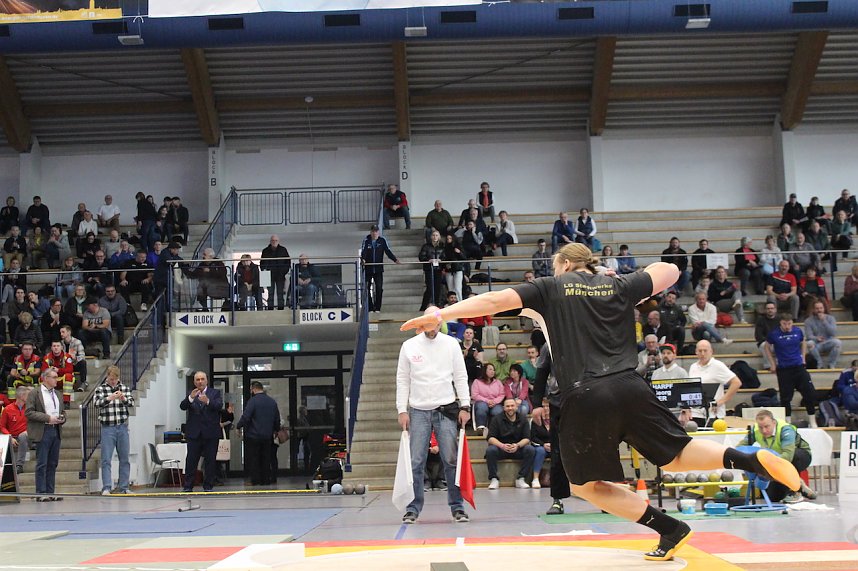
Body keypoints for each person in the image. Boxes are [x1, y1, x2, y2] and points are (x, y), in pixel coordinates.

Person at [400, 243, 803, 562]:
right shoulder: (617, 284)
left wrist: (443, 313)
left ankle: (667, 525)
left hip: (586, 394)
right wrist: (615, 276)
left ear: (562, 265)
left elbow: (492, 302)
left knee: (585, 486)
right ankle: (747, 460)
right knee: (677, 455)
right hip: (632, 385)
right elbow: (671, 271)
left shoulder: (549, 287)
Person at [395, 306, 471, 524]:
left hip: (446, 408)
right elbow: (403, 379)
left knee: (451, 460)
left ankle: (457, 507)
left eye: (435, 324)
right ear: (421, 324)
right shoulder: (408, 346)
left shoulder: (451, 344)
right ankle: (413, 507)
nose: (431, 329)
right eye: (427, 325)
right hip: (418, 410)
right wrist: (402, 409)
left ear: (440, 323)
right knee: (416, 461)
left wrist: (465, 406)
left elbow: (460, 376)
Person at [738, 409, 816, 503]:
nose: (764, 430)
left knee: (794, 457)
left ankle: (796, 491)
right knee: (773, 497)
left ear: (774, 422)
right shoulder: (755, 430)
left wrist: (769, 466)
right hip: (775, 460)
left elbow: (788, 455)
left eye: (767, 426)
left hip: (800, 455)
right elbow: (741, 447)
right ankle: (800, 484)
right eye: (761, 427)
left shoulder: (786, 429)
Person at [765, 313, 818, 426]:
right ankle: (787, 421)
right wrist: (772, 363)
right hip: (784, 369)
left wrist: (803, 357)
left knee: (809, 393)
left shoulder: (797, 331)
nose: (787, 326)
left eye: (789, 324)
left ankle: (812, 420)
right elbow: (766, 346)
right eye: (785, 324)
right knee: (785, 397)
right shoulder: (774, 334)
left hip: (798, 367)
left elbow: (803, 341)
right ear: (780, 323)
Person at [93, 365, 134, 495]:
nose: (113, 382)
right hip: (108, 427)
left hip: (122, 427)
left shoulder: (124, 388)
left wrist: (123, 398)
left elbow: (131, 403)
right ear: (107, 377)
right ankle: (106, 487)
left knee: (124, 458)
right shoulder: (101, 389)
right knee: (106, 458)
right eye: (111, 379)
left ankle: (124, 487)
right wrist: (109, 398)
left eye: (115, 380)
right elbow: (96, 404)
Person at [25, 369, 66, 501]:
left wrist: (62, 418)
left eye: (56, 377)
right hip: (43, 430)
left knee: (53, 463)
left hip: (56, 429)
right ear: (45, 378)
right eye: (54, 377)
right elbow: (29, 412)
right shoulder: (35, 393)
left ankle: (50, 492)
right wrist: (47, 418)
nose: (56, 379)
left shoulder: (58, 394)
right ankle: (40, 493)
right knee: (42, 463)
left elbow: (63, 411)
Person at [179, 371, 223, 493]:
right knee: (191, 460)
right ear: (194, 382)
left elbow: (219, 406)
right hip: (194, 433)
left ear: (206, 380)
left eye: (202, 379)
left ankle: (208, 486)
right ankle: (188, 486)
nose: (200, 381)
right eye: (197, 380)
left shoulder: (215, 393)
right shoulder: (191, 393)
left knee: (210, 460)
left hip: (211, 433)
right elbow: (182, 406)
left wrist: (208, 401)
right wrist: (190, 398)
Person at [236, 381, 281, 486]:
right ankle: (265, 480)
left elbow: (246, 417)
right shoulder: (272, 402)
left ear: (254, 389)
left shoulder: (253, 402)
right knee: (266, 458)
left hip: (253, 435)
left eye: (251, 389)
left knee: (254, 458)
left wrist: (239, 426)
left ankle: (255, 480)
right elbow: (276, 418)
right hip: (267, 435)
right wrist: (276, 430)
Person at [485, 397, 535, 489]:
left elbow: (527, 438)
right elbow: (490, 438)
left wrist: (517, 445)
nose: (510, 408)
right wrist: (502, 445)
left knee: (530, 450)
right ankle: (494, 479)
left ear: (516, 407)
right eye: (507, 406)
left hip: (517, 448)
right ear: (504, 408)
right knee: (490, 450)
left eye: (512, 406)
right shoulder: (496, 419)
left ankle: (521, 478)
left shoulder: (523, 419)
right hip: (501, 449)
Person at [688, 340, 742, 422]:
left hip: (714, 414)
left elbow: (736, 383)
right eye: (700, 351)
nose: (702, 353)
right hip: (696, 413)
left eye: (705, 351)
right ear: (696, 352)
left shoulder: (717, 365)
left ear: (711, 351)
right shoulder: (693, 367)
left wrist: (720, 402)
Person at [360, 224, 400, 312]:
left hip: (378, 269)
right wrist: (363, 259)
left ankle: (377, 308)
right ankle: (370, 307)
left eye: (376, 231)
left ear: (378, 232)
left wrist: (395, 259)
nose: (375, 233)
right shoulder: (366, 240)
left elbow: (387, 251)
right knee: (366, 288)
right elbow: (364, 251)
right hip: (368, 269)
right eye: (373, 231)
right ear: (370, 232)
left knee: (379, 288)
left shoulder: (382, 240)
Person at [805, 300, 841, 369]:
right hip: (816, 344)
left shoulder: (830, 318)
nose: (819, 310)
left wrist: (824, 321)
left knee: (838, 342)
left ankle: (831, 364)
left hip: (828, 342)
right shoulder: (808, 321)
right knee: (809, 343)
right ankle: (819, 364)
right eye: (817, 308)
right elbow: (809, 335)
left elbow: (833, 333)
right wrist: (816, 338)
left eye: (821, 308)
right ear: (813, 309)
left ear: (824, 308)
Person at [260, 235, 291, 311]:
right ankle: (270, 309)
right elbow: (262, 262)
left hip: (280, 275)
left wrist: (283, 271)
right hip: (269, 275)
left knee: (280, 293)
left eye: (276, 240)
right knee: (270, 294)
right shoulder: (265, 250)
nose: (274, 242)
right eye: (273, 240)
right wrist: (264, 270)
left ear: (278, 241)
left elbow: (288, 262)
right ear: (270, 241)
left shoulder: (283, 250)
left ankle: (281, 309)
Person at [470, 363, 504, 432]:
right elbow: (475, 395)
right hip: (482, 402)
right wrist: (487, 401)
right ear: (484, 370)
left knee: (498, 411)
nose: (492, 371)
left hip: (495, 403)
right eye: (490, 369)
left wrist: (494, 401)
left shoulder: (498, 382)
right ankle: (481, 428)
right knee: (482, 407)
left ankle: (493, 430)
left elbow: (502, 394)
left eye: (494, 370)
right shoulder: (477, 382)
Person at [418, 230, 445, 311]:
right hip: (429, 270)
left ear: (439, 237)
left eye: (437, 235)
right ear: (431, 237)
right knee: (429, 288)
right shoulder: (426, 246)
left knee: (438, 288)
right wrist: (428, 260)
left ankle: (437, 305)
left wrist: (441, 261)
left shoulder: (442, 246)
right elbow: (421, 257)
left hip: (438, 269)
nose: (435, 237)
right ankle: (423, 307)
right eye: (433, 235)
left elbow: (445, 256)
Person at [42, 340, 75, 404]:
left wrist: (58, 370)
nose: (56, 348)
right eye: (54, 346)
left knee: (68, 376)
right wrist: (50, 371)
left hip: (63, 379)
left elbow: (70, 370)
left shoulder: (67, 357)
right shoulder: (46, 357)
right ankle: (45, 400)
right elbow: (43, 371)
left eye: (58, 346)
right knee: (42, 378)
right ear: (51, 348)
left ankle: (66, 402)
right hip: (51, 379)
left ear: (62, 347)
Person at [60, 325, 87, 392]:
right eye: (60, 332)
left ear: (69, 332)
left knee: (83, 362)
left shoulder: (77, 342)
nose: (61, 334)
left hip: (74, 363)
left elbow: (82, 356)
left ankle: (83, 382)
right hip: (65, 364)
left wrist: (75, 358)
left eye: (63, 332)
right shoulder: (60, 344)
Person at [755, 301, 780, 370]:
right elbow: (758, 336)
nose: (770, 310)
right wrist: (770, 342)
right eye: (768, 309)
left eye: (772, 308)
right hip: (765, 342)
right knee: (764, 345)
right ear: (765, 310)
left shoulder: (780, 320)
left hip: (778, 342)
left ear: (775, 310)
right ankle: (768, 366)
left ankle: (781, 365)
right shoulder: (760, 320)